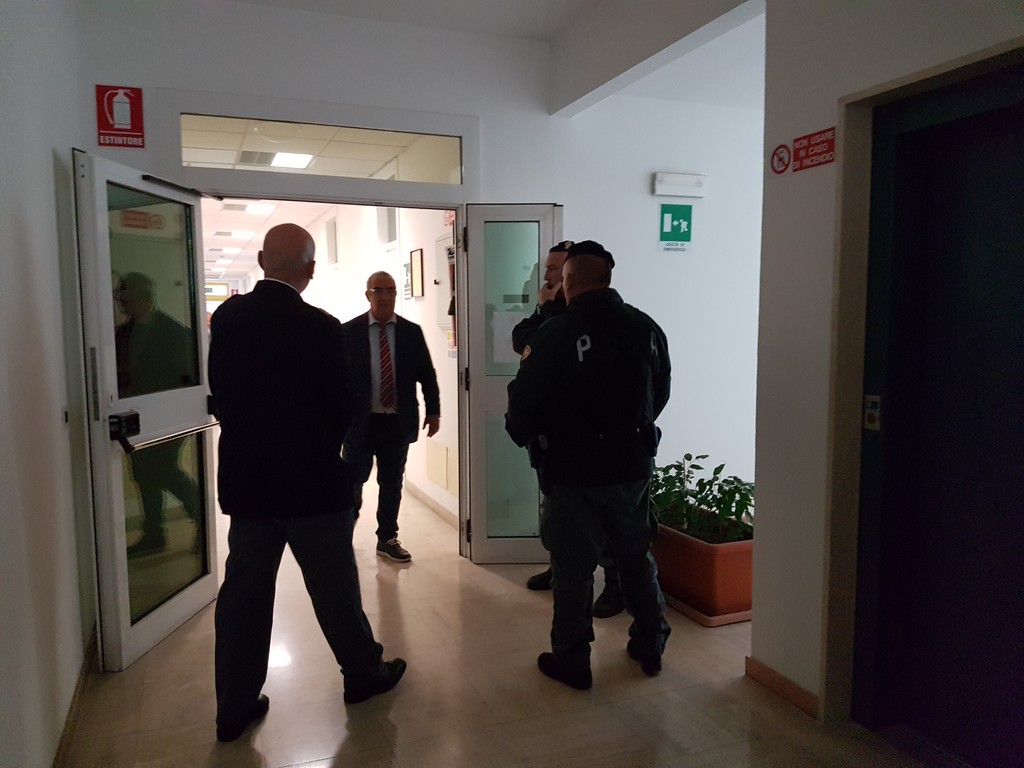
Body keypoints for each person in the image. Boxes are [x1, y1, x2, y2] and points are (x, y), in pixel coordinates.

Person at [208, 224, 406, 742]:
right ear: (311, 269)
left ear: (260, 261)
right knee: (334, 587)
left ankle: (234, 706)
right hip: (312, 484)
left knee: (244, 595)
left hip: (249, 484)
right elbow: (343, 404)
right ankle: (363, 675)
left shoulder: (228, 318)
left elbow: (221, 394)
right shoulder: (321, 326)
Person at [505, 240, 672, 690]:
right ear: (607, 278)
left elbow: (524, 404)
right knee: (635, 558)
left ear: (568, 281)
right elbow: (659, 390)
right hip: (631, 466)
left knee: (573, 569)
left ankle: (573, 661)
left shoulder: (555, 333)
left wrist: (525, 433)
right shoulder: (645, 327)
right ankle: (651, 642)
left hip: (572, 470)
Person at [513, 242, 624, 619]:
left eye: (554, 269)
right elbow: (521, 339)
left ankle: (614, 584)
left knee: (605, 522)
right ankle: (557, 567)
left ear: (571, 274)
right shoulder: (550, 310)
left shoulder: (595, 316)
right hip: (555, 445)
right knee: (558, 518)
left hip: (595, 447)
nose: (546, 275)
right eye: (547, 268)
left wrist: (546, 312)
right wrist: (543, 309)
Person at [341, 271, 440, 563]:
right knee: (352, 482)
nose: (384, 296)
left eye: (390, 290)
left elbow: (427, 374)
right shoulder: (349, 332)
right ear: (368, 295)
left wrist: (434, 411)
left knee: (392, 482)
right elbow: (336, 379)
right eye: (378, 290)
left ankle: (387, 538)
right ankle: (342, 536)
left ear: (396, 294)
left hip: (396, 422)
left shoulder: (411, 332)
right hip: (360, 423)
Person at [113, 272, 201, 555]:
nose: (121, 305)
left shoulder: (175, 333)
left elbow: (187, 377)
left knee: (166, 472)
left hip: (169, 417)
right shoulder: (121, 334)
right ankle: (154, 534)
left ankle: (200, 521)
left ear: (143, 297)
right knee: (143, 473)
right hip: (137, 418)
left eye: (125, 299)